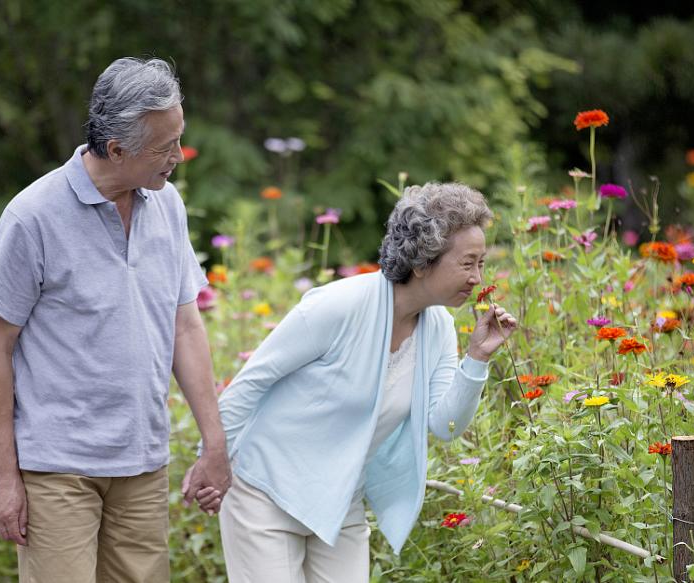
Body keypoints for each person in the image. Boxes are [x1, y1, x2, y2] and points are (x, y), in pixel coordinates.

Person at [0, 57, 230, 582]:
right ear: (116, 150)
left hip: (142, 462)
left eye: (179, 139)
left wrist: (215, 441)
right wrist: (5, 477)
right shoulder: (32, 216)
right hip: (56, 469)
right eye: (165, 147)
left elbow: (184, 325)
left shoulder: (168, 205)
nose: (178, 157)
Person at [211, 182, 517, 582]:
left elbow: (445, 426)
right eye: (468, 263)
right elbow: (250, 382)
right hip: (265, 493)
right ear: (422, 261)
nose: (478, 278)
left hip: (339, 501)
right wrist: (210, 460)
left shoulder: (439, 327)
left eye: (481, 264)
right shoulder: (339, 304)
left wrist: (477, 358)